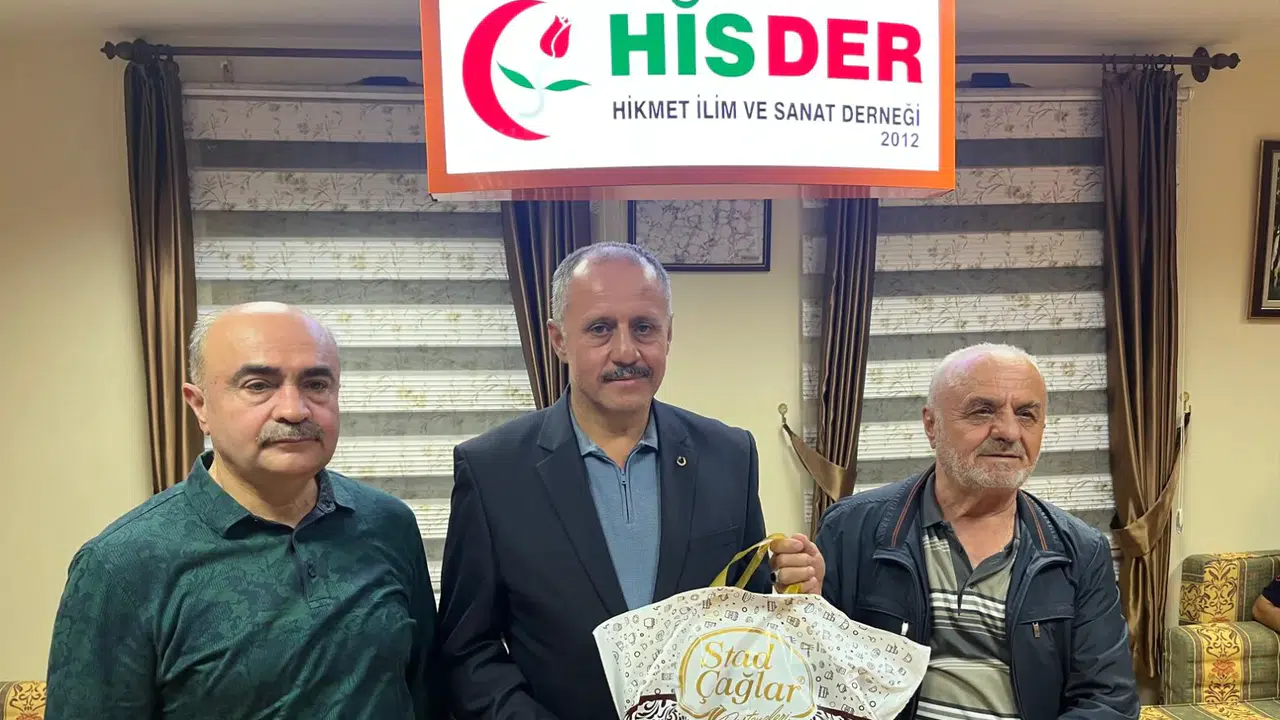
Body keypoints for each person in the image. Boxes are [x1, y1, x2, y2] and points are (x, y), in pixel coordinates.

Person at [438, 242, 826, 720]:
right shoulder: (492, 471)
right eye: (600, 328)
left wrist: (797, 596)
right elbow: (468, 652)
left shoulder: (730, 455)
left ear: (668, 334)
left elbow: (750, 623)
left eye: (644, 327)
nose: (626, 351)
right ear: (559, 340)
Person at [45, 302, 446, 720]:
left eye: (316, 384)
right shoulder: (120, 566)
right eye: (258, 386)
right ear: (199, 405)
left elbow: (428, 693)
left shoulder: (388, 524)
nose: (294, 410)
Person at [815, 343, 1140, 720]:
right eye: (983, 410)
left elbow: (1108, 702)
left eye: (1026, 414)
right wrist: (802, 607)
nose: (1008, 431)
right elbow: (809, 679)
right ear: (931, 425)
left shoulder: (1081, 552)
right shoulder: (850, 530)